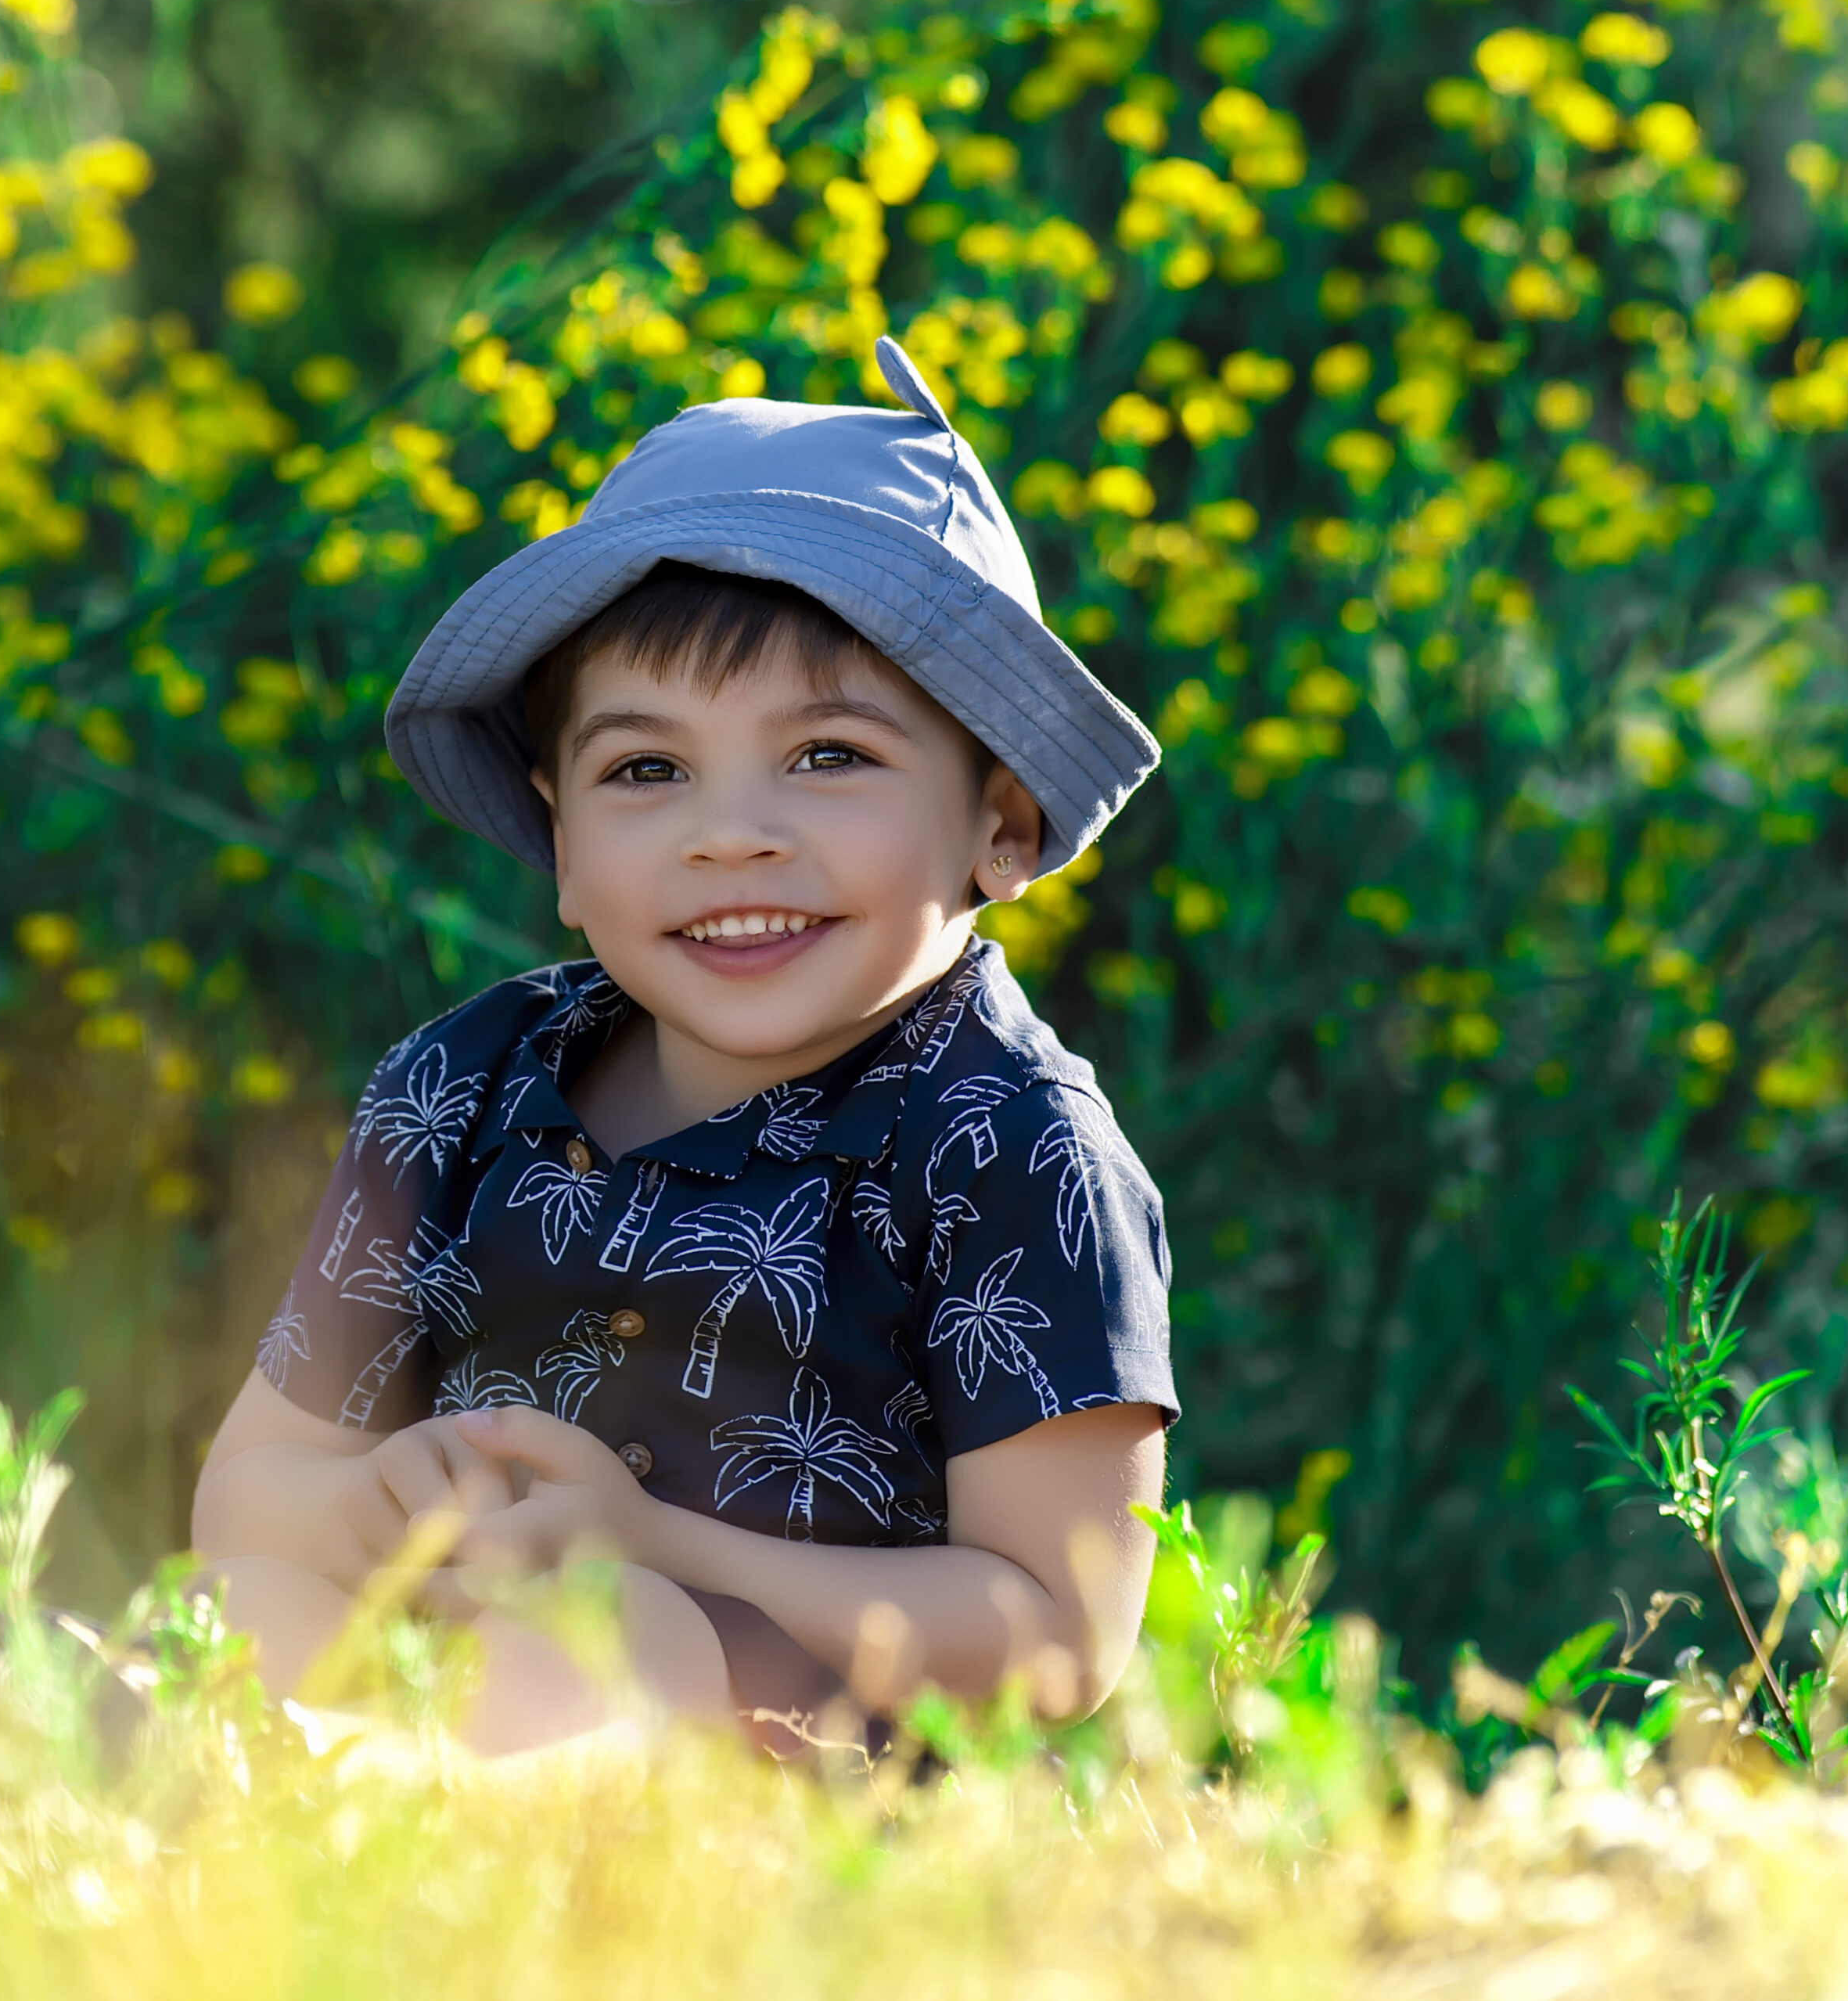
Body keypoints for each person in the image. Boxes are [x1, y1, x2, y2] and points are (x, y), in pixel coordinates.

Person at [191, 336, 1175, 1755]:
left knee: (622, 1628)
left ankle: (389, 1825)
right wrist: (376, 1504)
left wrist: (653, 1543)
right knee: (223, 1601)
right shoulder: (455, 1087)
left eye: (828, 756)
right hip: (439, 1674)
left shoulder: (1016, 1148)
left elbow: (1057, 1635)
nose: (729, 833)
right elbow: (254, 1487)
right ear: (565, 847)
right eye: (645, 771)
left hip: (778, 1777)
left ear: (1001, 824)